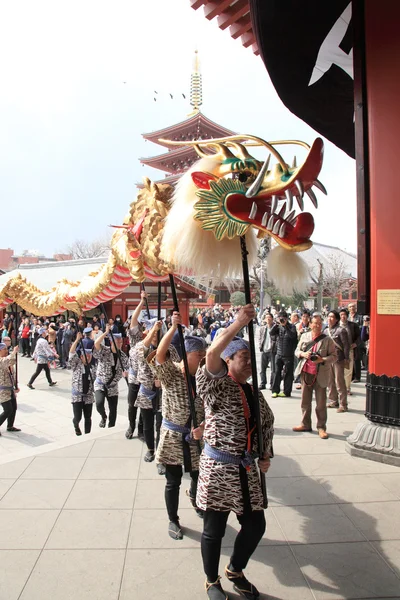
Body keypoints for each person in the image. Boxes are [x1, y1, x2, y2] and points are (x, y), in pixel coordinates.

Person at [196, 304, 274, 600]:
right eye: (244, 357)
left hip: (247, 470)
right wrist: (238, 323)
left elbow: (266, 423)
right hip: (219, 470)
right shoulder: (216, 386)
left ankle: (235, 570)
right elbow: (211, 355)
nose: (250, 363)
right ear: (229, 360)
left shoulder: (253, 391)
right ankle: (211, 580)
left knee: (255, 525)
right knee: (214, 528)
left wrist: (265, 454)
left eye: (252, 358)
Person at [149, 311, 206, 540]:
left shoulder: (203, 376)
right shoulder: (172, 373)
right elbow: (160, 355)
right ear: (186, 355)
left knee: (198, 474)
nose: (202, 358)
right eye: (198, 354)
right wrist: (172, 328)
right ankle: (173, 519)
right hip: (174, 436)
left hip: (196, 436)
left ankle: (195, 496)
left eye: (204, 354)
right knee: (172, 481)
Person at [132, 319, 171, 470]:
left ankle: (161, 457)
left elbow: (174, 367)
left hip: (163, 394)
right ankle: (150, 449)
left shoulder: (169, 349)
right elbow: (142, 350)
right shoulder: (141, 347)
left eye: (158, 333)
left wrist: (163, 378)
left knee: (160, 426)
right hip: (146, 392)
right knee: (147, 424)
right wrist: (153, 329)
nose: (155, 335)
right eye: (152, 332)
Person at [292, 314, 337, 439]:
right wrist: (303, 354)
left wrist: (322, 359)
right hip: (306, 373)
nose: (317, 325)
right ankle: (305, 423)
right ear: (310, 324)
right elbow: (296, 351)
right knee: (305, 401)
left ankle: (321, 427)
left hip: (321, 374)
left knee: (321, 403)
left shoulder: (327, 340)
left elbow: (334, 357)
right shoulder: (304, 336)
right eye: (315, 323)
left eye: (319, 323)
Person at [93, 325, 129, 428]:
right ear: (112, 342)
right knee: (99, 404)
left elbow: (127, 367)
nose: (119, 344)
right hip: (101, 383)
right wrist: (105, 333)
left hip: (113, 386)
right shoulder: (104, 351)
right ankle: (103, 416)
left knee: (113, 410)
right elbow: (96, 343)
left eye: (121, 342)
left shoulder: (123, 356)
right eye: (117, 342)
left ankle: (111, 426)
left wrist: (127, 373)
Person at [125, 292, 148, 440]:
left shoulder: (151, 340)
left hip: (146, 378)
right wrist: (142, 301)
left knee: (144, 406)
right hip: (134, 378)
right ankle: (131, 426)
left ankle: (141, 429)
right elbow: (134, 318)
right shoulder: (135, 339)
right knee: (132, 404)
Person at [69, 333, 96, 436]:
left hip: (88, 396)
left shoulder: (93, 368)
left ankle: (87, 434)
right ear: (81, 356)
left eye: (89, 356)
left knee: (88, 417)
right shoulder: (77, 364)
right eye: (86, 355)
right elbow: (71, 353)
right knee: (78, 417)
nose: (88, 357)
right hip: (78, 395)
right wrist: (76, 340)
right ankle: (76, 425)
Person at [326, 310, 350, 412]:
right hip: (328, 359)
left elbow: (346, 346)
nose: (329, 319)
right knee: (330, 381)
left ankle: (343, 404)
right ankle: (333, 400)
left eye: (332, 317)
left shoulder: (341, 330)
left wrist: (346, 358)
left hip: (338, 359)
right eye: (328, 316)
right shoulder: (325, 330)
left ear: (336, 319)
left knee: (339, 382)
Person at [271, 310, 297, 398]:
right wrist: (276, 324)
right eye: (280, 318)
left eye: (284, 319)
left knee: (288, 374)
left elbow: (292, 336)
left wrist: (285, 326)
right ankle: (275, 391)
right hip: (279, 354)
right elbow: (271, 333)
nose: (282, 320)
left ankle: (286, 392)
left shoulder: (292, 327)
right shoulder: (278, 327)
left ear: (287, 319)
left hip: (289, 355)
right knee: (276, 372)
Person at [0, 343, 20, 435]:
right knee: (8, 409)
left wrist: (15, 386)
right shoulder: (1, 360)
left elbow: (12, 374)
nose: (6, 350)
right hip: (2, 390)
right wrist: (14, 352)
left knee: (14, 408)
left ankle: (10, 426)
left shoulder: (6, 359)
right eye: (4, 349)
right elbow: (9, 361)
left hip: (10, 388)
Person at [339, 308, 360, 395]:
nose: (343, 316)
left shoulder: (353, 325)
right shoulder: (336, 326)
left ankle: (347, 388)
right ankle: (339, 387)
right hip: (339, 351)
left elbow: (359, 337)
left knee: (348, 370)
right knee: (338, 370)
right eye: (341, 315)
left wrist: (355, 344)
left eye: (344, 314)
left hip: (350, 350)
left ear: (347, 316)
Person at [258, 312, 278, 390]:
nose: (268, 319)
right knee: (262, 369)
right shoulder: (263, 328)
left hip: (272, 351)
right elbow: (260, 338)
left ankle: (272, 384)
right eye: (267, 317)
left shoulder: (276, 328)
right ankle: (263, 383)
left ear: (272, 318)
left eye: (269, 317)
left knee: (273, 369)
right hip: (264, 350)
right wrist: (260, 346)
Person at [347, 302, 363, 382]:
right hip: (349, 341)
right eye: (350, 307)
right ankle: (351, 376)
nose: (352, 308)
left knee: (357, 359)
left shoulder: (359, 317)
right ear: (348, 308)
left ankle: (357, 377)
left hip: (357, 340)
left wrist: (356, 343)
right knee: (350, 359)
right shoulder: (347, 317)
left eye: (353, 307)